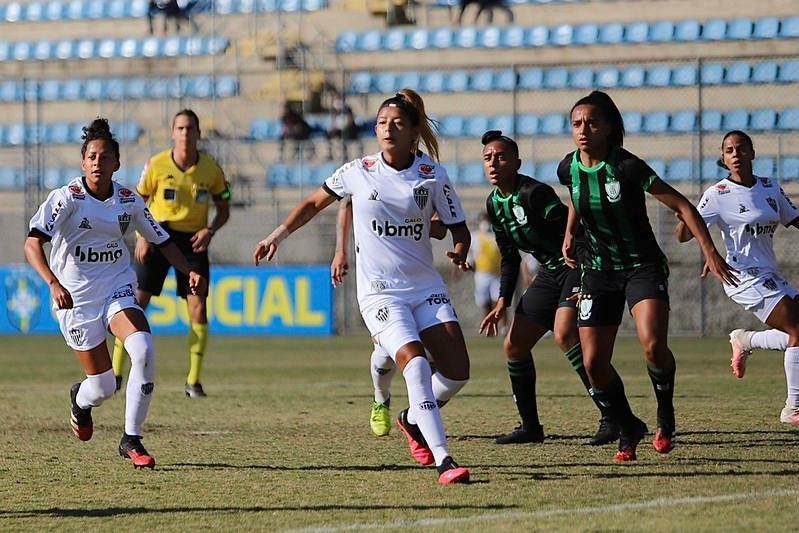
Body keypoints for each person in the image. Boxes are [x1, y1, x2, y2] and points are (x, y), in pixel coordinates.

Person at [254, 89, 472, 484]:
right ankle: (444, 460)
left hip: (424, 287)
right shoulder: (359, 170)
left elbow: (459, 227)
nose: (388, 129)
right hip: (380, 292)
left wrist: (459, 248)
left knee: (457, 373)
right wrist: (277, 234)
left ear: (414, 133)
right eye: (382, 123)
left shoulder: (432, 175)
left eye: (398, 124)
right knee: (416, 363)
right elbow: (312, 203)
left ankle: (410, 418)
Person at [559, 90, 737, 462]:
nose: (583, 129)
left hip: (642, 266)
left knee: (652, 345)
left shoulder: (627, 166)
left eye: (592, 122)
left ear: (608, 128)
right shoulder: (567, 167)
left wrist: (711, 253)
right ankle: (629, 425)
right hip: (598, 271)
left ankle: (665, 412)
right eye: (576, 123)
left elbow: (683, 205)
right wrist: (570, 232)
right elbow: (576, 196)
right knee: (593, 363)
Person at [23, 118, 207, 469]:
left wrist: (190, 270)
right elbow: (33, 244)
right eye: (91, 156)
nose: (97, 162)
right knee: (104, 386)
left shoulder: (128, 200)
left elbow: (162, 240)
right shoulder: (66, 200)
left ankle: (131, 438)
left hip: (117, 288)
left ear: (116, 163)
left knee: (143, 347)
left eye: (104, 156)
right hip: (76, 299)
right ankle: (80, 400)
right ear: (83, 162)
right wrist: (53, 282)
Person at [476, 130, 619, 446]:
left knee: (564, 334)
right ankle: (531, 427)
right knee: (514, 346)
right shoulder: (494, 203)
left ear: (517, 162)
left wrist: (589, 274)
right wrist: (502, 300)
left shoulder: (533, 193)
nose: (493, 163)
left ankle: (612, 417)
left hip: (577, 266)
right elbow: (509, 256)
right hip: (550, 273)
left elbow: (575, 232)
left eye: (501, 156)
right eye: (487, 158)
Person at [676, 130, 799, 425]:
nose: (735, 154)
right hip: (741, 277)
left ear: (752, 153)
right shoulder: (717, 194)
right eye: (729, 150)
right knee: (797, 327)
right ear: (724, 158)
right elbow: (682, 235)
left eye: (741, 148)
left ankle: (746, 340)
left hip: (771, 273)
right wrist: (686, 216)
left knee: (796, 331)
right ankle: (793, 407)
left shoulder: (770, 188)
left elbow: (794, 219)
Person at [111, 109, 230, 398]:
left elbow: (224, 206)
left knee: (198, 307)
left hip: (193, 242)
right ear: (173, 133)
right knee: (134, 303)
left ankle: (193, 380)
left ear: (199, 134)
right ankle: (115, 373)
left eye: (190, 128)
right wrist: (141, 235)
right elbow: (137, 201)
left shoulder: (211, 169)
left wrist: (211, 230)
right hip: (157, 236)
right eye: (180, 128)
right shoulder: (157, 164)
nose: (185, 133)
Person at [331, 195, 448, 438]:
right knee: (385, 353)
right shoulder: (371, 170)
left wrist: (416, 223)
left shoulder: (428, 175)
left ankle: (417, 417)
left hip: (419, 280)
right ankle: (381, 399)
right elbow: (347, 204)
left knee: (436, 359)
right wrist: (341, 250)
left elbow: (440, 228)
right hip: (380, 282)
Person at [467, 211, 502, 329]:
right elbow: (470, 253)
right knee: (485, 302)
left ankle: (503, 326)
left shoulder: (497, 235)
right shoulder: (475, 236)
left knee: (499, 300)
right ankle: (488, 326)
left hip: (497, 273)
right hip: (481, 274)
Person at [326, 97, 360, 162]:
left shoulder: (348, 110)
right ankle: (330, 153)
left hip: (350, 130)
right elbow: (332, 122)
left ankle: (345, 154)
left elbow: (351, 121)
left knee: (345, 135)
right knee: (328, 134)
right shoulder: (334, 111)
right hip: (339, 129)